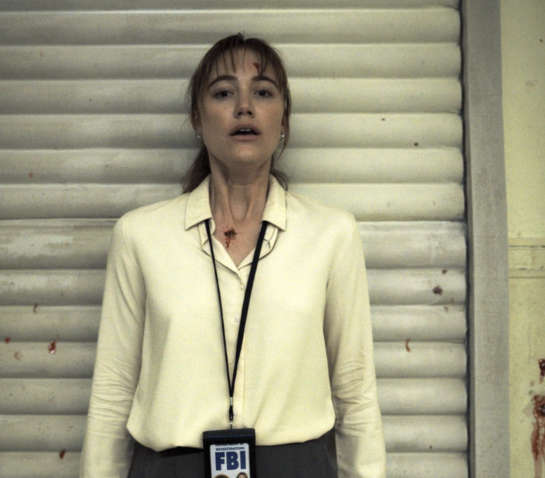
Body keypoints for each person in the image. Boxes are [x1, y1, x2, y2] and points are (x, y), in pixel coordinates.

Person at [81, 34, 386, 478]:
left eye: (263, 92)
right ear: (196, 119)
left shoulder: (331, 234)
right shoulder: (140, 236)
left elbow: (355, 388)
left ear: (283, 118)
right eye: (223, 92)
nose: (244, 107)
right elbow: (113, 389)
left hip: (297, 466)